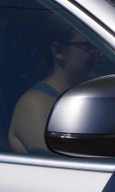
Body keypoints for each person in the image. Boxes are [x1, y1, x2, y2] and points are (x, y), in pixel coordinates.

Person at [9, 16, 103, 154]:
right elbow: (69, 163)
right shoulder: (35, 104)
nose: (100, 53)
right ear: (58, 51)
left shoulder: (90, 97)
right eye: (90, 46)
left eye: (100, 45)